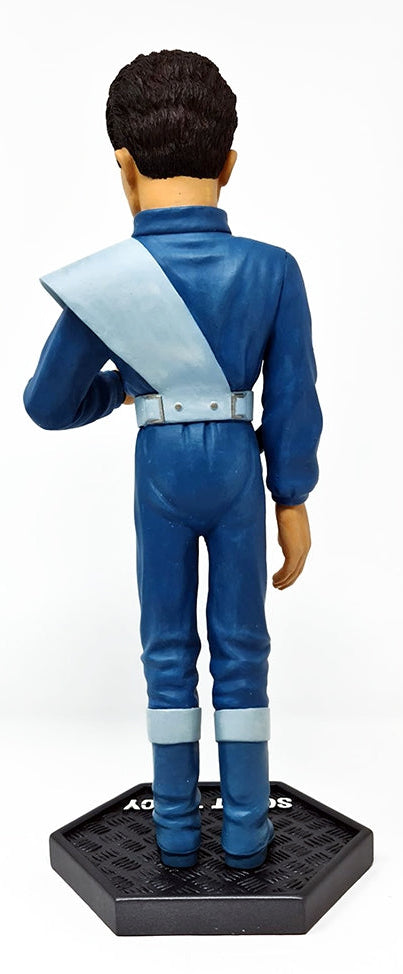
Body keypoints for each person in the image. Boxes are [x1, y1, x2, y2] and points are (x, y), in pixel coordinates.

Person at [23, 48, 323, 870]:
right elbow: (292, 397)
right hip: (235, 468)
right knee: (242, 647)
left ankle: (175, 834)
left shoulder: (107, 282)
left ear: (124, 169)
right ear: (228, 165)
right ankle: (247, 831)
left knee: (165, 651)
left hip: (158, 468)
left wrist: (123, 388)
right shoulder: (272, 269)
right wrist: (291, 498)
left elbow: (47, 403)